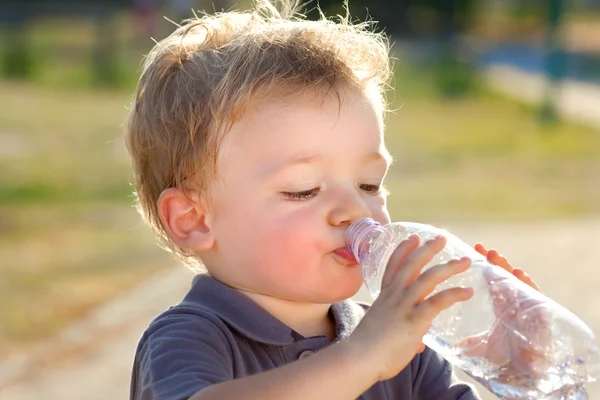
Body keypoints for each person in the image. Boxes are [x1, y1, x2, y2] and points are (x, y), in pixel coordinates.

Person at [124, 1, 540, 399]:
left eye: (370, 184)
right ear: (194, 219)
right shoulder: (190, 338)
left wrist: (520, 376)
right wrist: (362, 357)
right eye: (304, 189)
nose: (356, 211)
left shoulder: (402, 348)